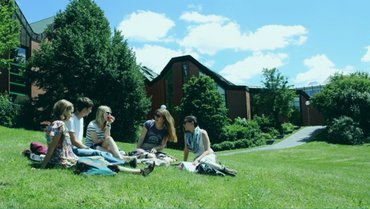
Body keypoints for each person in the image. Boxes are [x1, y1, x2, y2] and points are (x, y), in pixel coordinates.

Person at [66, 97, 127, 165]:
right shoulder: (71, 120)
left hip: (81, 148)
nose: (90, 111)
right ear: (84, 109)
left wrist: (108, 125)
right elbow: (74, 141)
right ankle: (121, 162)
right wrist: (87, 149)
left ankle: (122, 160)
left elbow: (107, 137)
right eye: (89, 109)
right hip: (73, 149)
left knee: (104, 152)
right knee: (98, 152)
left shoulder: (81, 119)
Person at [41, 99, 78, 168]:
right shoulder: (59, 125)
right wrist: (42, 166)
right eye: (70, 112)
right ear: (64, 111)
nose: (71, 115)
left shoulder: (54, 123)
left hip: (59, 159)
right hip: (60, 161)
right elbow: (52, 147)